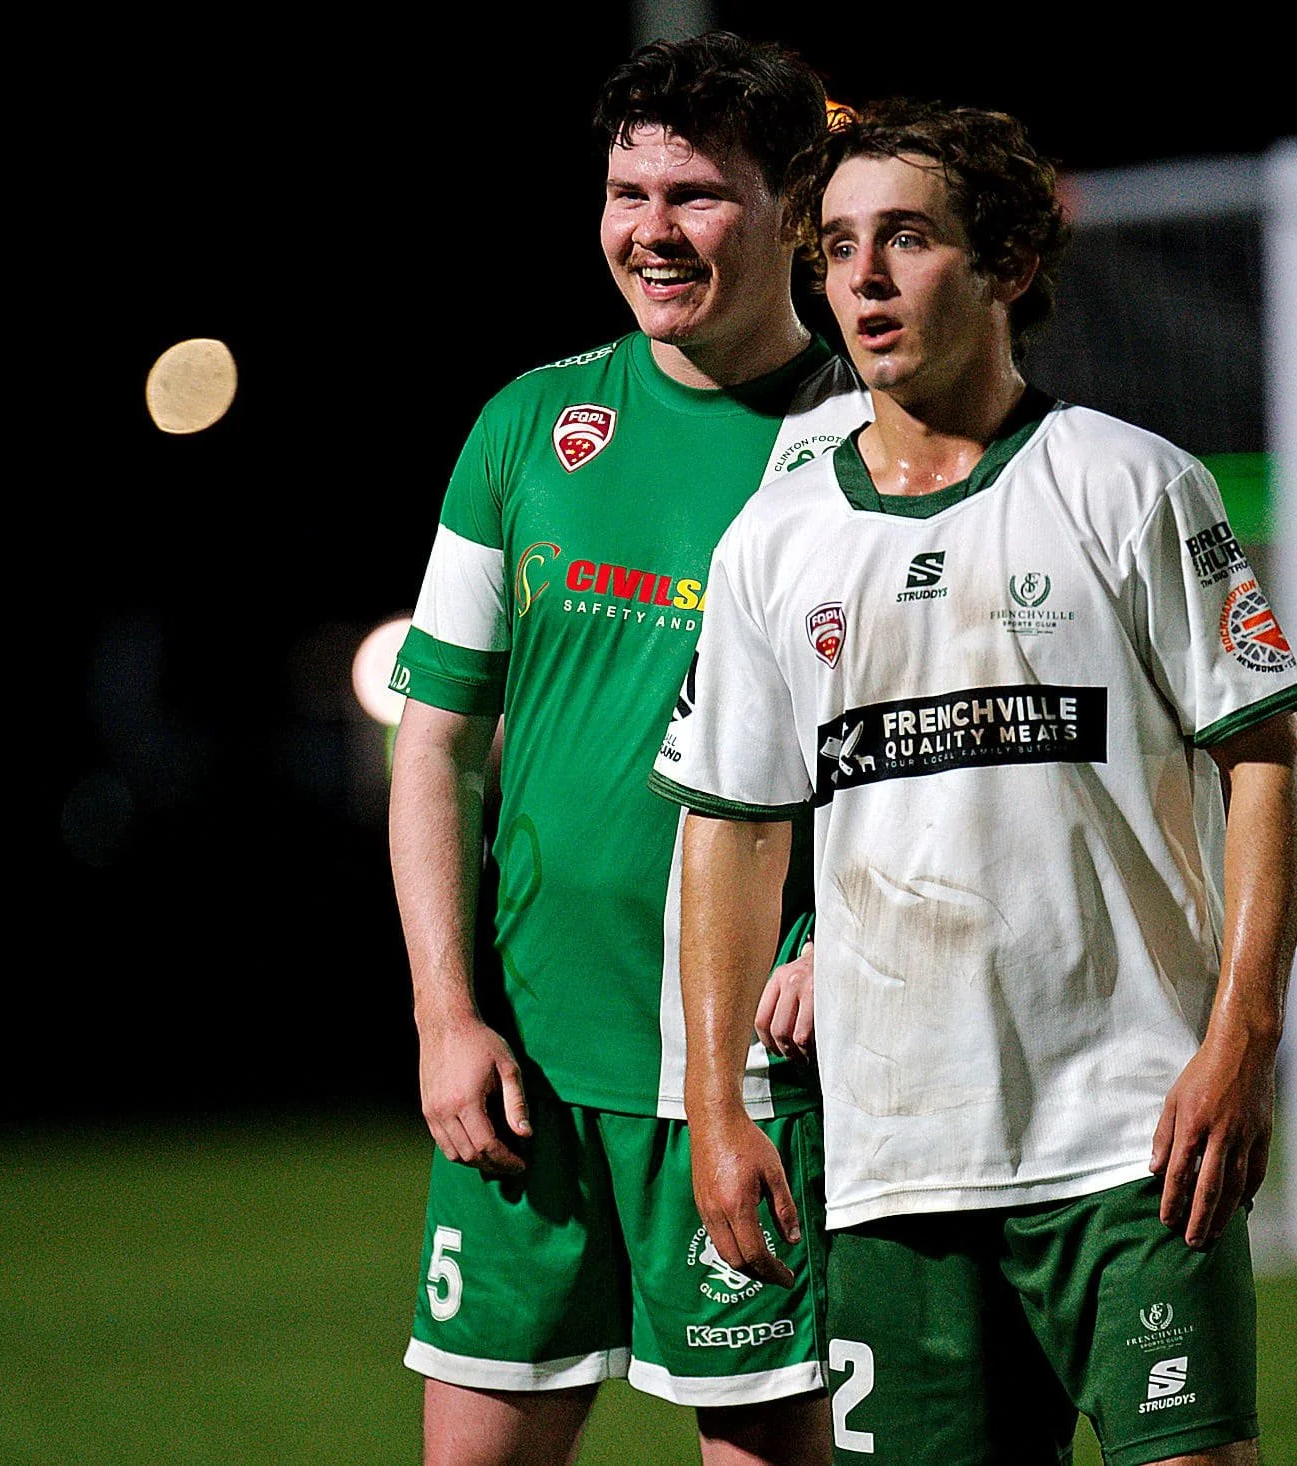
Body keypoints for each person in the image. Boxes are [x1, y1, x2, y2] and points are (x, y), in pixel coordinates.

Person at [652, 101, 1297, 1466]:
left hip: (1137, 1136)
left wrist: (1241, 1038)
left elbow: (1269, 762)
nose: (866, 278)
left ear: (1007, 261)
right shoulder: (772, 544)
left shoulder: (1130, 485)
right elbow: (728, 840)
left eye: (907, 237)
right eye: (838, 247)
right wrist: (717, 1106)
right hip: (895, 1154)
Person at [388, 32, 868, 1466]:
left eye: (697, 195)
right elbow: (435, 743)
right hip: (525, 1070)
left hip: (750, 1086)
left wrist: (839, 927)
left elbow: (923, 759)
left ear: (795, 202)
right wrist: (442, 1011)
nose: (650, 231)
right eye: (625, 192)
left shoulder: (868, 447)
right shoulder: (531, 426)